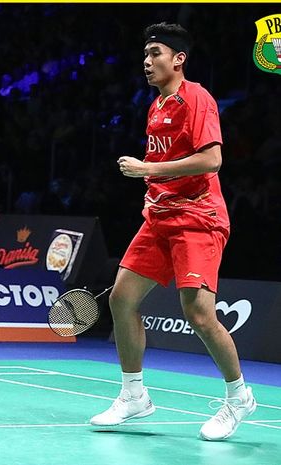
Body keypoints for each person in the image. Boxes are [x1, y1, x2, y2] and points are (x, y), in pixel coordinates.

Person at [89, 23, 256, 441]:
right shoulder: (156, 105)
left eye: (156, 53)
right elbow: (165, 164)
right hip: (161, 218)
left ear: (179, 58)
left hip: (199, 219)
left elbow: (211, 160)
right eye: (145, 55)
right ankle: (134, 395)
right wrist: (153, 190)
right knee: (122, 299)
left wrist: (149, 171)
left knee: (199, 314)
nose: (147, 62)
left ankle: (239, 397)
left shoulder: (196, 98)